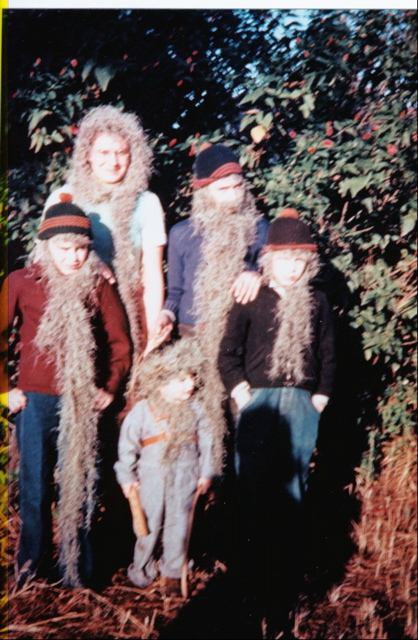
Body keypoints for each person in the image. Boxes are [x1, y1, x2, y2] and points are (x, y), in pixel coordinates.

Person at [217, 208, 336, 634]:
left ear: (310, 263)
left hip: (302, 405)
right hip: (260, 405)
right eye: (285, 259)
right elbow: (228, 353)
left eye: (301, 260)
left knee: (294, 491)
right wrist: (242, 393)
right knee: (252, 491)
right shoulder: (252, 298)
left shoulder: (318, 300)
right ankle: (250, 588)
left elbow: (327, 353)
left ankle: (286, 590)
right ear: (267, 260)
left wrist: (320, 396)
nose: (293, 267)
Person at [2, 202, 132, 588]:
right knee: (35, 488)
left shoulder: (96, 284)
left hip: (80, 402)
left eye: (81, 249)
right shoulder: (21, 281)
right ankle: (30, 571)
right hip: (34, 401)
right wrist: (6, 390)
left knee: (81, 485)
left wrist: (109, 387)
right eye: (64, 248)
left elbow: (119, 342)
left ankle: (78, 573)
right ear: (45, 246)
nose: (74, 257)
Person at [43, 104, 166, 355]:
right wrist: (90, 262)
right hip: (76, 312)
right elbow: (43, 261)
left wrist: (152, 327)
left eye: (122, 152)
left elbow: (151, 273)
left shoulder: (147, 202)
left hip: (129, 310)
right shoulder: (64, 197)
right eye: (104, 152)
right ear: (87, 154)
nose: (113, 161)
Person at [114, 338, 218, 597]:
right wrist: (126, 476)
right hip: (150, 475)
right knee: (147, 524)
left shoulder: (197, 408)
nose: (190, 385)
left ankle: (173, 571)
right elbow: (128, 444)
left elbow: (209, 442)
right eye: (182, 380)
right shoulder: (143, 409)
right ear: (161, 381)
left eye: (192, 378)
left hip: (187, 472)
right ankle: (141, 569)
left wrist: (206, 473)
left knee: (180, 524)